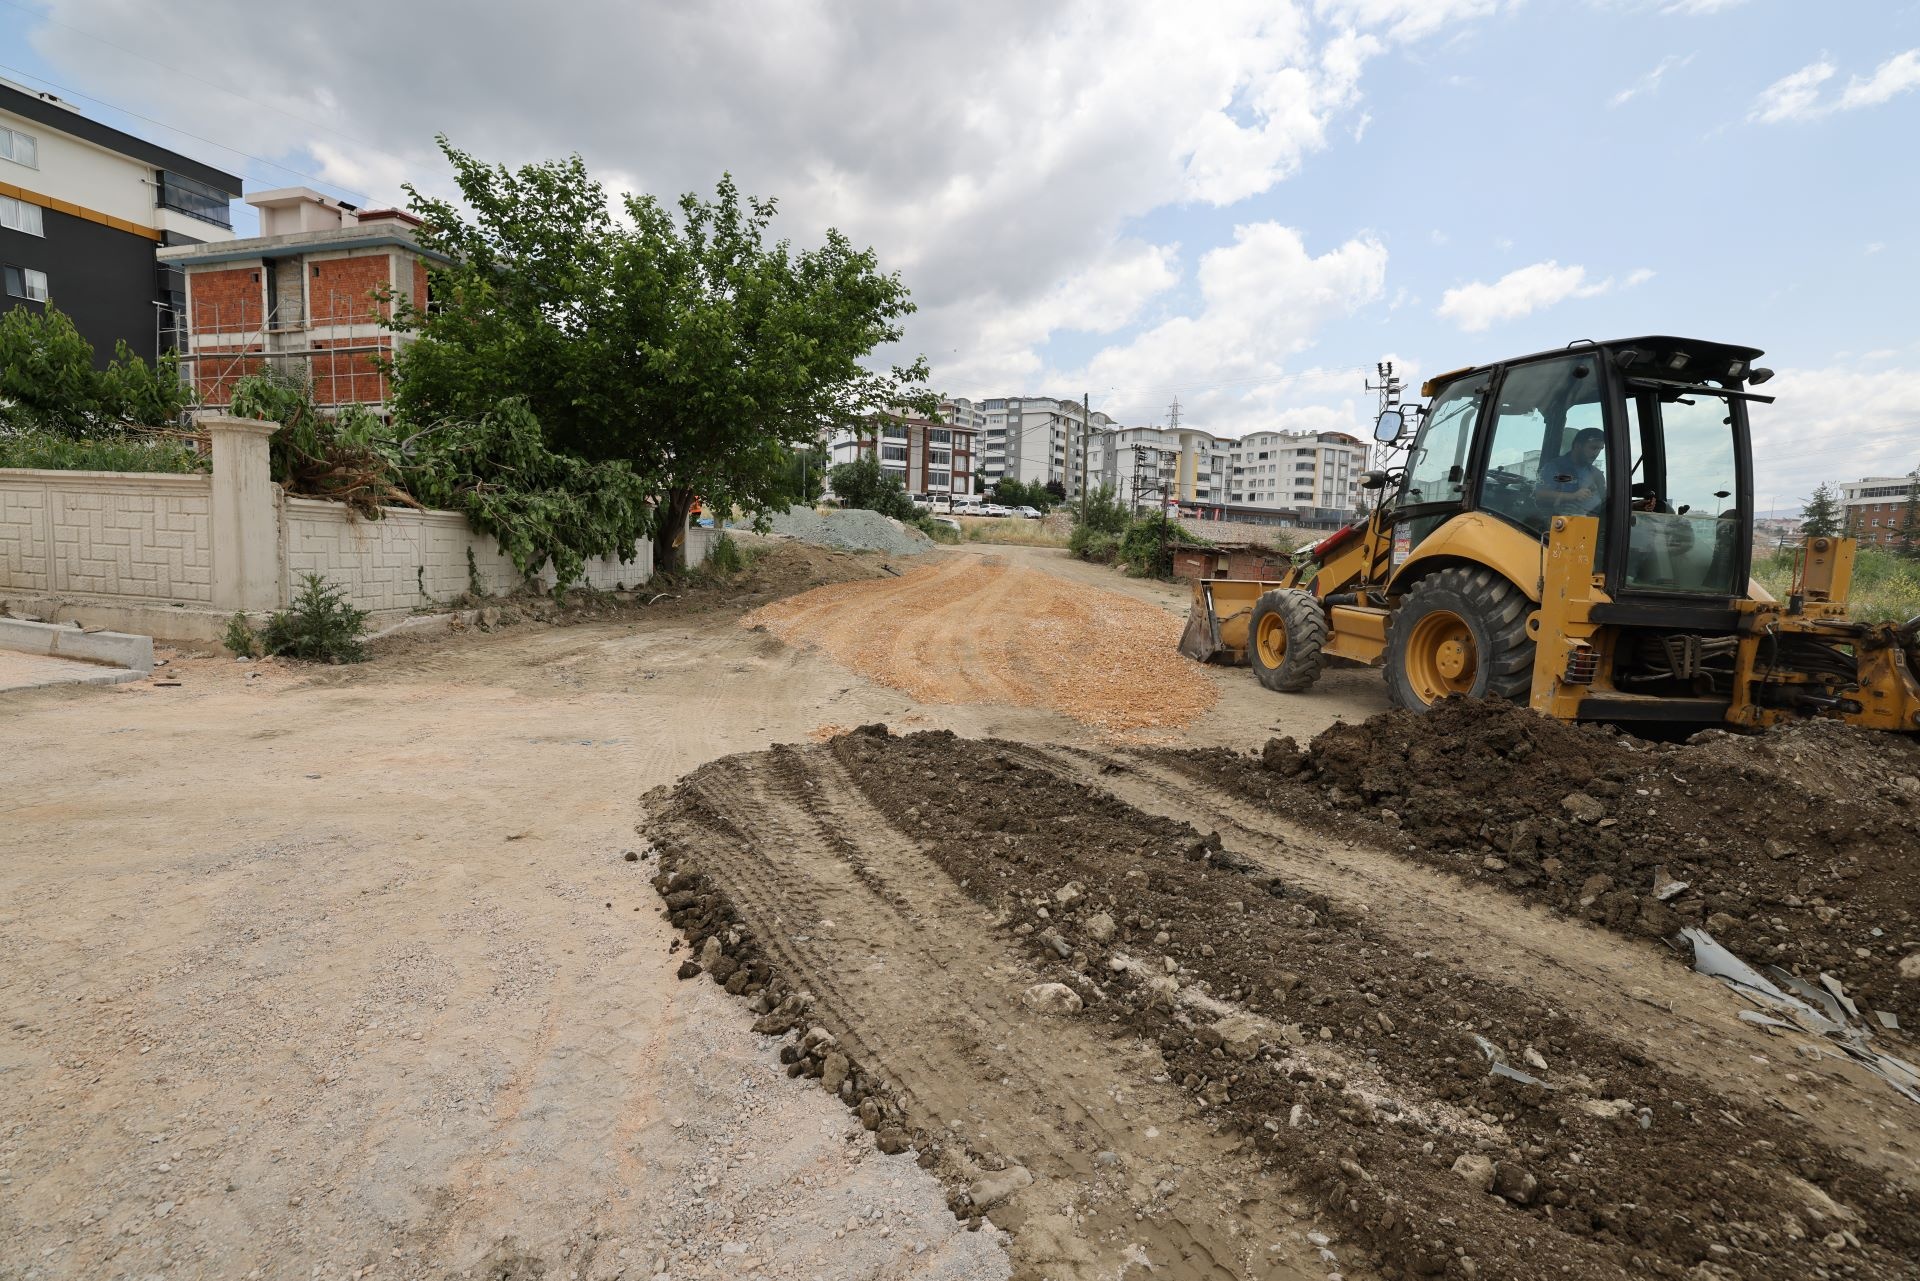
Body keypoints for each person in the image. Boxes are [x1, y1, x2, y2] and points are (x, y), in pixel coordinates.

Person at [1535, 428, 1607, 515]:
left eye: (1600, 449)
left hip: (1590, 522)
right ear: (1578, 446)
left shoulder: (1596, 474)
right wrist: (1573, 496)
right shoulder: (1554, 467)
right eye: (1593, 448)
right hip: (1558, 522)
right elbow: (1540, 495)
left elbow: (1604, 502)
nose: (1597, 453)